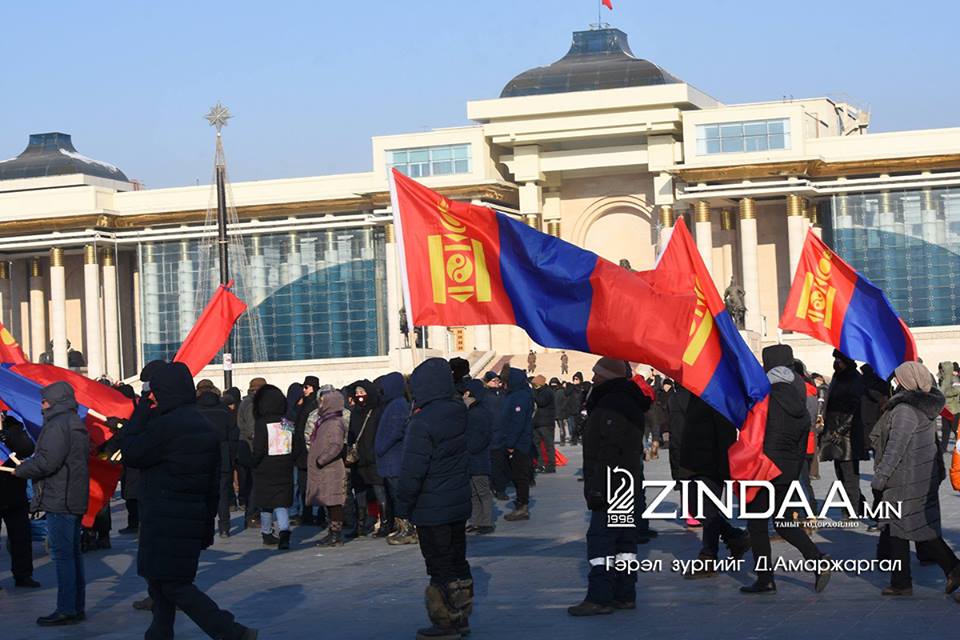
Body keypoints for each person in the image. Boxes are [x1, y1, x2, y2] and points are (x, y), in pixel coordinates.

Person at [119, 362, 257, 640]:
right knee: (161, 583)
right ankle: (159, 634)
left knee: (173, 585)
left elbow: (131, 452)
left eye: (155, 391)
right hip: (189, 518)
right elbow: (212, 485)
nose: (153, 396)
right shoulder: (202, 425)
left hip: (165, 518)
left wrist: (142, 409)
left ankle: (232, 632)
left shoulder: (166, 427)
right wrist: (206, 527)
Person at [741, 345, 831, 594]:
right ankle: (818, 559)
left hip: (765, 468)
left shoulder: (765, 395)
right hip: (788, 470)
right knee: (782, 522)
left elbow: (757, 432)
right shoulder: (799, 393)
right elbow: (803, 435)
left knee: (757, 524)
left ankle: (765, 579)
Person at [395, 358, 472, 640]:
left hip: (431, 506)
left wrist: (402, 506)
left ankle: (445, 622)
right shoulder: (459, 411)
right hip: (457, 501)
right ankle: (461, 616)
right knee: (458, 560)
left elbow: (413, 469)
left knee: (439, 565)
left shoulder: (422, 420)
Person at [568, 358, 648, 616]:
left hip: (611, 484)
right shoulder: (626, 400)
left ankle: (600, 596)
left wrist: (598, 486)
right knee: (624, 541)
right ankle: (625, 592)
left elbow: (609, 449)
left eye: (597, 374)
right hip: (625, 481)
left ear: (609, 376)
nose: (593, 379)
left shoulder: (613, 403)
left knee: (601, 540)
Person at [872, 361, 960, 597]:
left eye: (897, 378)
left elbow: (895, 448)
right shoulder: (924, 407)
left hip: (905, 479)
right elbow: (934, 443)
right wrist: (939, 470)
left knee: (912, 529)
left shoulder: (904, 410)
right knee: (904, 529)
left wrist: (881, 476)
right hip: (920, 476)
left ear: (906, 381)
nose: (894, 382)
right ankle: (902, 581)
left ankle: (952, 568)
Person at [12, 382, 89, 626]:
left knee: (63, 556)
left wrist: (22, 470)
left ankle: (67, 608)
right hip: (71, 494)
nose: (41, 405)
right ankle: (75, 606)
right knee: (72, 555)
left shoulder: (58, 425)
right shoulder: (73, 421)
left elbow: (47, 462)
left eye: (44, 401)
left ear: (55, 402)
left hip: (60, 496)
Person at [677, 392, 750, 577]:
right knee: (696, 509)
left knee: (707, 510)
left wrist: (725, 470)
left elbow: (726, 435)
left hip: (711, 465)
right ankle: (734, 537)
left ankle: (708, 558)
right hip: (690, 463)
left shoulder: (717, 396)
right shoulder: (692, 395)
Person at [820, 349, 868, 516]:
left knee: (850, 477)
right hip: (835, 432)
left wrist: (840, 430)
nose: (836, 363)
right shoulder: (838, 377)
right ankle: (857, 506)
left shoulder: (854, 378)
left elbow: (854, 409)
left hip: (847, 436)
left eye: (839, 360)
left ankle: (852, 511)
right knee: (841, 475)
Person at [252, 384, 295, 550]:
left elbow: (258, 448)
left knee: (266, 503)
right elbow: (294, 442)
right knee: (281, 502)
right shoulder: (286, 421)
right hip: (284, 466)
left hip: (265, 467)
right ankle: (284, 531)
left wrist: (253, 462)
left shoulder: (261, 423)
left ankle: (267, 533)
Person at [0, 414, 40, 589]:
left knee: (21, 537)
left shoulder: (14, 426)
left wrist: (9, 437)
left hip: (14, 492)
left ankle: (23, 574)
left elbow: (27, 448)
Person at [373, 372, 414, 543]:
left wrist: (381, 447)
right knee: (395, 495)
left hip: (394, 460)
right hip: (390, 460)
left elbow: (395, 430)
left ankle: (407, 528)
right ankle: (401, 527)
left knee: (399, 496)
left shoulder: (398, 405)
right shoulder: (393, 404)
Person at [309, 390, 349, 547]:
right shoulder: (324, 420)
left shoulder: (334, 422)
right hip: (325, 469)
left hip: (331, 469)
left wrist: (321, 459)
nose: (320, 405)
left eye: (322, 401)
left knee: (334, 502)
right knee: (329, 501)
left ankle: (336, 534)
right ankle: (332, 532)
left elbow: (336, 445)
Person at [196, 385, 235, 539]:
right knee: (222, 493)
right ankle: (224, 527)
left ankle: (204, 526)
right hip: (222, 454)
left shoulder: (194, 410)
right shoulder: (224, 411)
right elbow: (233, 435)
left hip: (200, 457)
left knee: (201, 494)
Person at [344, 380, 381, 538]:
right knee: (359, 492)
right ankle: (360, 524)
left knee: (378, 491)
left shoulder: (376, 411)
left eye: (362, 393)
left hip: (373, 458)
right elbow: (351, 434)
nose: (359, 396)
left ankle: (383, 522)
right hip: (358, 460)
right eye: (357, 393)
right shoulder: (355, 412)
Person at [501, 367, 534, 521]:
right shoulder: (515, 394)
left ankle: (522, 506)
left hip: (519, 443)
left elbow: (517, 422)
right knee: (516, 474)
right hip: (516, 441)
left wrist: (510, 443)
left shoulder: (520, 396)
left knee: (520, 475)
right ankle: (521, 503)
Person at [464, 379, 494, 535]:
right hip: (471, 460)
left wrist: (468, 448)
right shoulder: (472, 411)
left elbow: (482, 438)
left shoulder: (479, 412)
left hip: (478, 459)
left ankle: (486, 522)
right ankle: (476, 521)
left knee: (483, 492)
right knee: (473, 494)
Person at [237, 377, 266, 529]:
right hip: (251, 448)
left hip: (245, 448)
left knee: (250, 484)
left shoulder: (247, 402)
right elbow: (252, 430)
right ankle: (252, 516)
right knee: (254, 485)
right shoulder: (252, 404)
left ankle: (251, 514)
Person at [293, 375, 319, 526]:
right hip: (305, 452)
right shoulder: (306, 404)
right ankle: (309, 513)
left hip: (307, 451)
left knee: (308, 485)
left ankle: (311, 514)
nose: (304, 390)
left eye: (306, 387)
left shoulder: (311, 405)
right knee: (306, 485)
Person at [483, 372, 509, 502]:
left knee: (500, 464)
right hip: (489, 435)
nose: (496, 383)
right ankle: (494, 487)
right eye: (493, 381)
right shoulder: (484, 396)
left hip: (502, 435)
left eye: (497, 381)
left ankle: (500, 489)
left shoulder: (503, 394)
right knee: (492, 465)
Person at [531, 375, 557, 473]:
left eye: (535, 384)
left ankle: (551, 465)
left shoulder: (547, 392)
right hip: (537, 422)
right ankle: (540, 464)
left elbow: (541, 402)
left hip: (546, 423)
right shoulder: (538, 391)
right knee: (536, 444)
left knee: (548, 445)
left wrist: (533, 393)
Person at [938, 361, 960, 455]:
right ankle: (943, 449)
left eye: (943, 369)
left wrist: (945, 393)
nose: (942, 371)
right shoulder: (943, 379)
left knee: (955, 430)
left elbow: (957, 390)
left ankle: (958, 447)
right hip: (945, 409)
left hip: (953, 409)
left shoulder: (954, 378)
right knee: (945, 430)